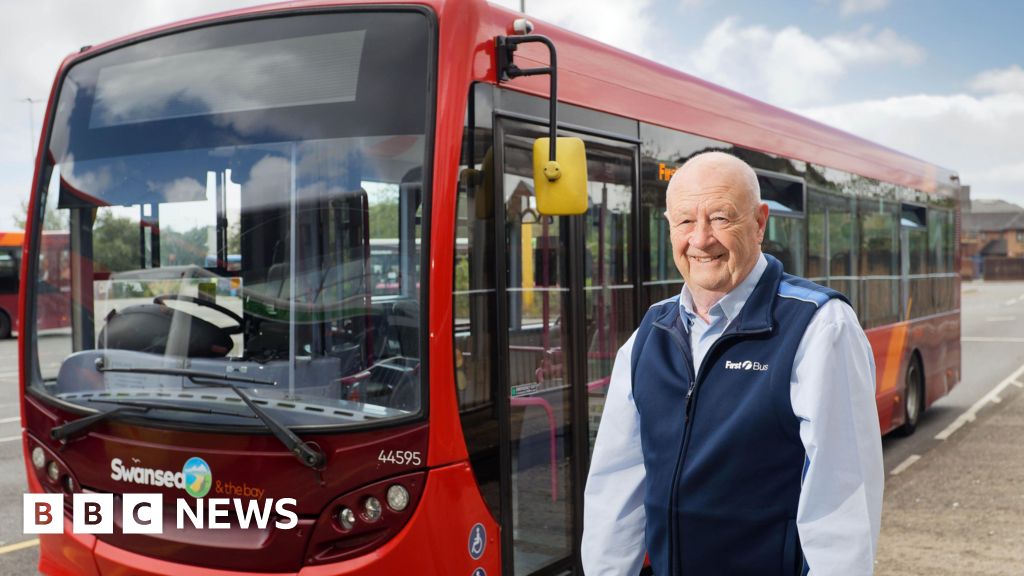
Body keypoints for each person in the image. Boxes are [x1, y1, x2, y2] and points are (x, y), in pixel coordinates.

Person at [582, 152, 883, 575]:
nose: (701, 239)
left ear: (760, 223)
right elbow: (615, 490)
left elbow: (843, 502)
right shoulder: (648, 336)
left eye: (721, 218)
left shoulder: (819, 328)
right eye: (685, 221)